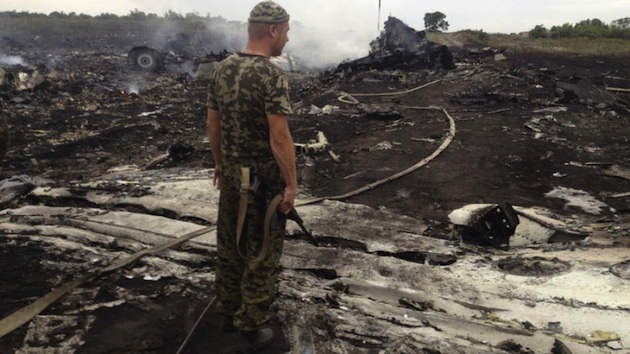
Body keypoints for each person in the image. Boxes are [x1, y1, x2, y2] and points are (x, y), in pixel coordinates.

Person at [206, 1, 296, 352]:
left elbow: (213, 124)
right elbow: (279, 138)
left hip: (230, 173)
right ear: (273, 30)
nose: (287, 39)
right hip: (262, 182)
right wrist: (290, 184)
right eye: (286, 31)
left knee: (229, 244)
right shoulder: (272, 75)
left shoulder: (222, 69)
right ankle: (251, 328)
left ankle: (228, 313)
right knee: (261, 251)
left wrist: (219, 162)